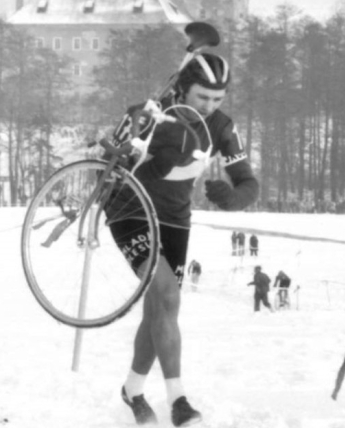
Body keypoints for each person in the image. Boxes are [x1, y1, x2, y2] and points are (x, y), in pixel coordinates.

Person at [106, 52, 258, 426]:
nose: (209, 107)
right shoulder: (150, 111)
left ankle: (133, 390)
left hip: (174, 219)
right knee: (167, 294)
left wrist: (234, 198)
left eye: (217, 99)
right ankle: (179, 401)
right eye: (201, 97)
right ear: (182, 88)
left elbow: (248, 182)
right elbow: (107, 159)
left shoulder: (222, 126)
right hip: (130, 209)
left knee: (162, 307)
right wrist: (144, 151)